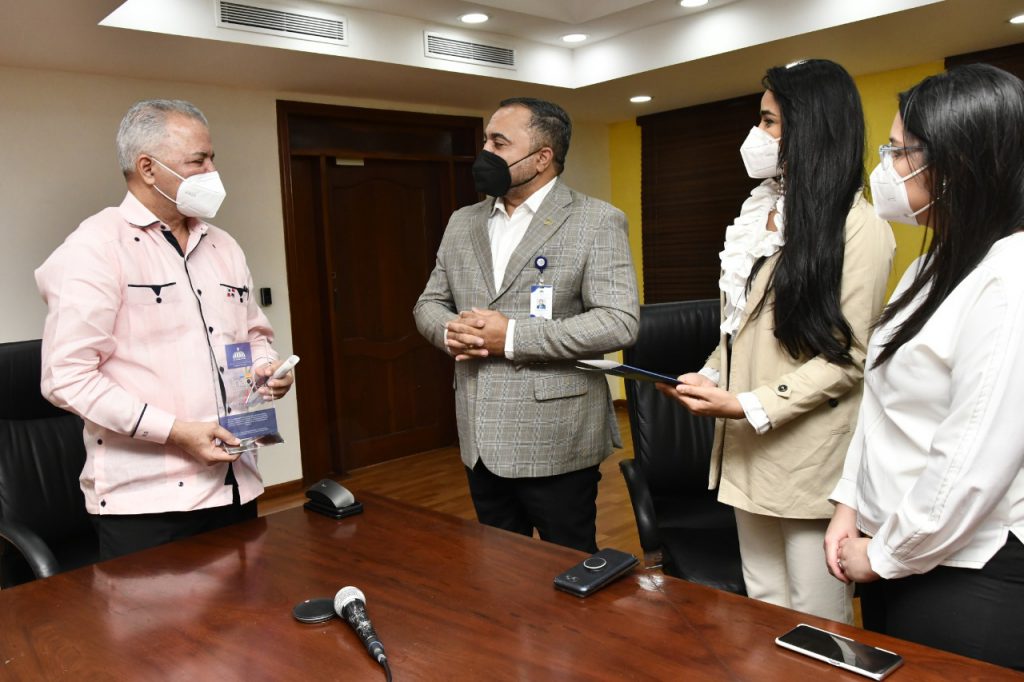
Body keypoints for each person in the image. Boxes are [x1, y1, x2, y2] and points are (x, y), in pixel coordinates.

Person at [656, 60, 895, 623]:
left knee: (814, 617)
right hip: (745, 447)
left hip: (807, 453)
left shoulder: (859, 228)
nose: (757, 137)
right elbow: (736, 327)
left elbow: (848, 358)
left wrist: (746, 403)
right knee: (763, 608)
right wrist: (712, 376)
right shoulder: (758, 209)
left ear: (810, 128)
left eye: (769, 122)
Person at [826, 64, 1024, 670]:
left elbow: (972, 463)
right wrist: (848, 507)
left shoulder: (1009, 279)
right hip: (897, 545)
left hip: (968, 569)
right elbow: (880, 404)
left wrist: (883, 554)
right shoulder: (932, 263)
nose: (884, 166)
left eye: (899, 150)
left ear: (959, 162)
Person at [36, 99, 294, 560]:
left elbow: (253, 332)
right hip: (148, 504)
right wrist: (176, 431)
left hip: (237, 485)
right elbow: (67, 376)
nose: (213, 171)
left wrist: (265, 367)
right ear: (148, 168)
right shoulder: (95, 247)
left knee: (248, 628)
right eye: (198, 161)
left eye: (212, 158)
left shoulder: (223, 245)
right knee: (158, 634)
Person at [413, 97, 639, 554]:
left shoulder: (596, 221)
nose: (486, 153)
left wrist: (511, 337)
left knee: (570, 572)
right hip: (478, 439)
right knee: (499, 573)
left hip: (557, 438)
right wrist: (448, 330)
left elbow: (619, 322)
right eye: (485, 141)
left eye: (499, 142)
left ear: (542, 158)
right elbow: (429, 302)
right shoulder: (462, 222)